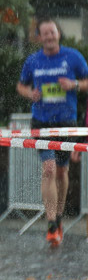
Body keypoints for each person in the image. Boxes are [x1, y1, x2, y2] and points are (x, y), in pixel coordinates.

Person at [16, 18, 88, 247]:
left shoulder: (73, 57)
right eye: (44, 33)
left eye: (52, 32)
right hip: (41, 122)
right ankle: (50, 224)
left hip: (66, 121)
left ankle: (58, 216)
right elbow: (21, 85)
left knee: (61, 171)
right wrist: (30, 94)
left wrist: (75, 85)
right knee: (48, 168)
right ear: (39, 37)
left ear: (58, 34)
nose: (49, 36)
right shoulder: (33, 61)